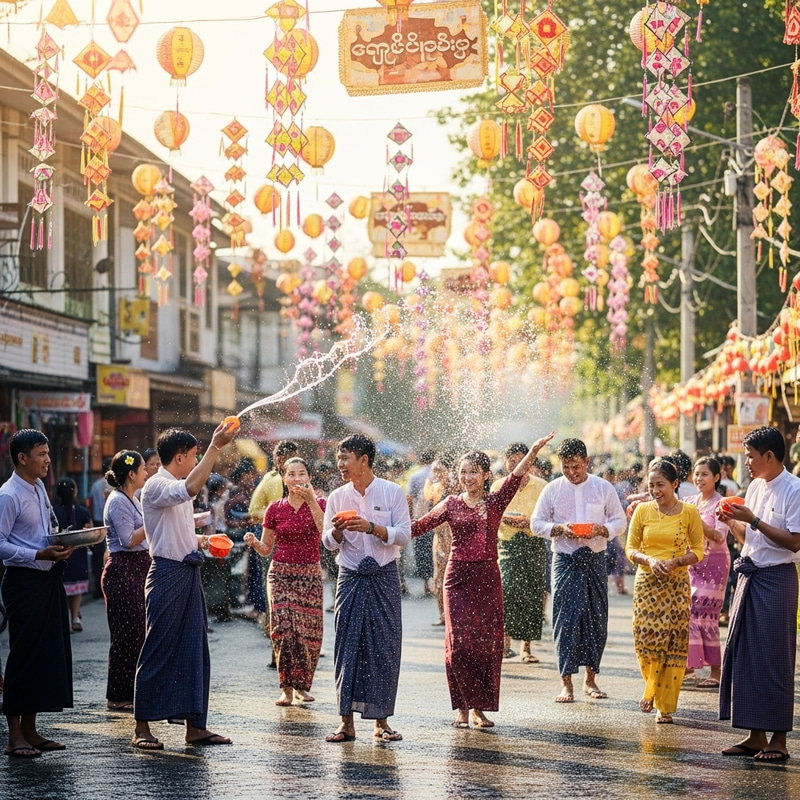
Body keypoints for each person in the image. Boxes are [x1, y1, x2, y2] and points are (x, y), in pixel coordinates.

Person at [412, 433, 554, 728]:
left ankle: (479, 708)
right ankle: (461, 707)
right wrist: (378, 528)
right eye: (463, 472)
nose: (467, 477)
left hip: (488, 578)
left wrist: (534, 449)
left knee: (486, 645)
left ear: (486, 475)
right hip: (457, 579)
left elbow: (515, 476)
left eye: (474, 471)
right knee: (459, 644)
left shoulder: (495, 502)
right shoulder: (450, 504)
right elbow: (418, 527)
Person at [132, 421, 238, 751]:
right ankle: (141, 727)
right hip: (166, 574)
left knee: (194, 651)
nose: (195, 462)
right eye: (193, 456)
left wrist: (202, 540)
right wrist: (216, 446)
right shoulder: (156, 486)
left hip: (187, 572)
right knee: (158, 649)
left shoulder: (174, 482)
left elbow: (173, 531)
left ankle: (196, 727)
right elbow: (191, 488)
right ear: (180, 457)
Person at [717, 426, 800, 762]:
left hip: (778, 578)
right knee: (746, 654)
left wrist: (752, 520)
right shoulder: (753, 486)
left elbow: (794, 541)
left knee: (776, 656)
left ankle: (779, 738)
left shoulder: (794, 489)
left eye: (751, 456)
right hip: (750, 575)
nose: (746, 462)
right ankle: (755, 735)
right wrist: (729, 521)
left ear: (769, 456)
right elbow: (747, 538)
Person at [321, 434, 411, 743]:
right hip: (349, 576)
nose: (340, 464)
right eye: (338, 458)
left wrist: (372, 527)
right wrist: (336, 530)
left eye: (345, 458)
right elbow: (327, 542)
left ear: (364, 461)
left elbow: (404, 535)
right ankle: (345, 723)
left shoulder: (391, 492)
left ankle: (380, 722)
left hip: (384, 576)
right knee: (347, 647)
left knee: (384, 648)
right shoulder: (337, 496)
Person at [531, 438, 626, 703]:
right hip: (564, 558)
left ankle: (590, 680)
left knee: (595, 619)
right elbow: (536, 523)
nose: (572, 472)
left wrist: (602, 529)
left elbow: (620, 521)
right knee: (565, 620)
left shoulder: (603, 487)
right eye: (566, 467)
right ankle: (566, 683)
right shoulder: (552, 489)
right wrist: (559, 529)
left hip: (595, 558)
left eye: (576, 466)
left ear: (587, 462)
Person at [0, 429, 76, 758]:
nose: (48, 460)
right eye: (42, 454)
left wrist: (62, 543)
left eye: (47, 453)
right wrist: (37, 555)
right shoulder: (8, 495)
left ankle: (30, 730)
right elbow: (1, 545)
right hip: (23, 582)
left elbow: (42, 531)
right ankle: (14, 734)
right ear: (22, 458)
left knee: (44, 656)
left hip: (47, 580)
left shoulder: (40, 488)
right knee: (23, 656)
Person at [625, 459, 704, 723]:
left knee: (673, 643)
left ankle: (663, 704)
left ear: (675, 484)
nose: (656, 490)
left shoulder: (689, 512)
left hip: (677, 585)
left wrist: (676, 562)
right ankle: (650, 688)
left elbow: (698, 551)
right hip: (647, 584)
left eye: (661, 485)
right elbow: (630, 549)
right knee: (645, 639)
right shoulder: (642, 511)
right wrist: (649, 560)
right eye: (651, 485)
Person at [244, 457, 325, 706]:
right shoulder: (275, 509)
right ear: (284, 478)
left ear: (309, 477)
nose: (297, 478)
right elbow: (267, 548)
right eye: (292, 474)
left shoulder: (321, 502)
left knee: (308, 633)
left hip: (310, 573)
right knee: (283, 631)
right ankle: (286, 688)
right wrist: (254, 543)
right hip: (279, 574)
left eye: (302, 473)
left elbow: (325, 534)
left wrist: (311, 500)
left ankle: (302, 686)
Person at [101, 450, 149, 712]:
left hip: (137, 569)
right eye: (143, 469)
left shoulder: (133, 498)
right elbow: (128, 539)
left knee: (138, 633)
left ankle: (130, 691)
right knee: (125, 635)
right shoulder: (118, 501)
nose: (146, 473)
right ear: (131, 474)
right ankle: (117, 695)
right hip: (123, 570)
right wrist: (152, 522)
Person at [492, 443, 548, 663]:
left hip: (533, 544)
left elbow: (547, 518)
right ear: (505, 462)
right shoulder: (498, 486)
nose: (516, 465)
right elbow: (490, 515)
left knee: (533, 594)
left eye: (521, 460)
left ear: (530, 462)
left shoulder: (542, 486)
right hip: (506, 544)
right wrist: (504, 519)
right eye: (512, 460)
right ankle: (505, 644)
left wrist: (529, 522)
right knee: (506, 590)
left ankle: (526, 647)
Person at [682, 456, 730, 688]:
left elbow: (720, 536)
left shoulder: (722, 504)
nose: (699, 478)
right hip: (693, 563)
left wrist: (695, 520)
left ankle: (716, 671)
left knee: (706, 614)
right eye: (696, 474)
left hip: (715, 565)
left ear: (716, 477)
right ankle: (690, 666)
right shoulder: (690, 501)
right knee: (689, 610)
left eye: (704, 474)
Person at [52, 477, 92, 633]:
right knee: (77, 590)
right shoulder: (82, 511)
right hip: (78, 555)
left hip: (60, 555)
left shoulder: (54, 512)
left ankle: (65, 621)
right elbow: (89, 530)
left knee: (63, 590)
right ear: (74, 491)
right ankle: (75, 618)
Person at [425, 455, 458, 626]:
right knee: (438, 579)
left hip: (455, 539)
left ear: (449, 471)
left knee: (455, 579)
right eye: (434, 470)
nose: (435, 474)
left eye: (439, 470)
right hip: (439, 539)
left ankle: (454, 615)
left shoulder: (457, 487)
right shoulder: (434, 488)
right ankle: (442, 615)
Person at [407, 450, 435, 593]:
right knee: (434, 550)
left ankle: (426, 584)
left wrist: (411, 519)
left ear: (421, 461)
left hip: (420, 518)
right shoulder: (438, 474)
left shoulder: (415, 476)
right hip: (437, 519)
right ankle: (435, 581)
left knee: (422, 552)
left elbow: (410, 499)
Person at [88, 457, 112, 599]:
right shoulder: (110, 484)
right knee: (105, 555)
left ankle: (98, 589)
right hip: (106, 523)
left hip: (98, 522)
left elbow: (90, 505)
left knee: (99, 557)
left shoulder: (96, 485)